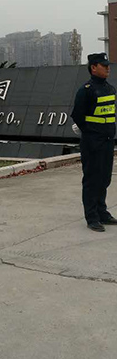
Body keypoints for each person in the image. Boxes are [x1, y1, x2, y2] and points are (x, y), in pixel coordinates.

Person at [71, 53, 117, 231]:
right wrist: (91, 133)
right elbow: (78, 115)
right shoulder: (86, 90)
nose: (107, 68)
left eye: (108, 65)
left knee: (104, 178)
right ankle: (92, 217)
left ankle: (102, 212)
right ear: (93, 68)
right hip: (92, 142)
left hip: (107, 141)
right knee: (92, 179)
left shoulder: (110, 89)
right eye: (103, 65)